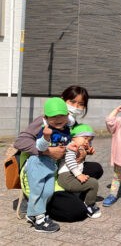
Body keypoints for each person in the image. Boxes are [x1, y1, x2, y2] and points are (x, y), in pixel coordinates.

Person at [14, 85, 104, 222]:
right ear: (62, 100)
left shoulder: (72, 124)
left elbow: (69, 147)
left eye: (81, 104)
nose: (76, 106)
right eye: (72, 102)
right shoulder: (46, 120)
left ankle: (69, 195)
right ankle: (36, 204)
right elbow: (20, 142)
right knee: (76, 212)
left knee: (96, 168)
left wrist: (83, 152)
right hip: (42, 169)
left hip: (61, 170)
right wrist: (48, 151)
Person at [25, 97, 72, 232]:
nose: (58, 119)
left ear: (67, 116)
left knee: (48, 191)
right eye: (53, 117)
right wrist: (45, 137)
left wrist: (72, 147)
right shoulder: (45, 130)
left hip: (51, 165)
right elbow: (39, 147)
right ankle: (38, 218)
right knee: (37, 191)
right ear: (46, 118)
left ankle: (34, 214)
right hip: (37, 163)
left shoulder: (66, 130)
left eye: (61, 116)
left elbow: (65, 144)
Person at [58, 124, 101, 218]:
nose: (87, 142)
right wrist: (79, 175)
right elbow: (69, 161)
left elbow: (78, 158)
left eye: (89, 140)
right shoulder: (71, 147)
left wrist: (88, 152)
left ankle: (80, 199)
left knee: (91, 182)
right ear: (74, 137)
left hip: (69, 176)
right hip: (67, 177)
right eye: (85, 138)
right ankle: (89, 205)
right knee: (93, 183)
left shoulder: (77, 147)